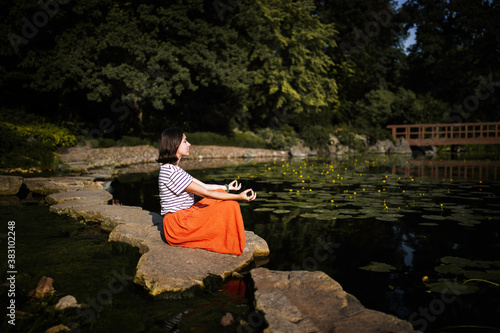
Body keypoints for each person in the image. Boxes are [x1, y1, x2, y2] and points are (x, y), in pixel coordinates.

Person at [157, 128, 257, 255]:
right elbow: (204, 192)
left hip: (184, 217)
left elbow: (204, 185)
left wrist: (227, 188)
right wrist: (238, 197)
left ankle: (222, 233)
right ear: (174, 144)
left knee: (221, 192)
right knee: (230, 204)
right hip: (178, 225)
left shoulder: (174, 169)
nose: (189, 144)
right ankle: (226, 240)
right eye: (185, 141)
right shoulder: (171, 172)